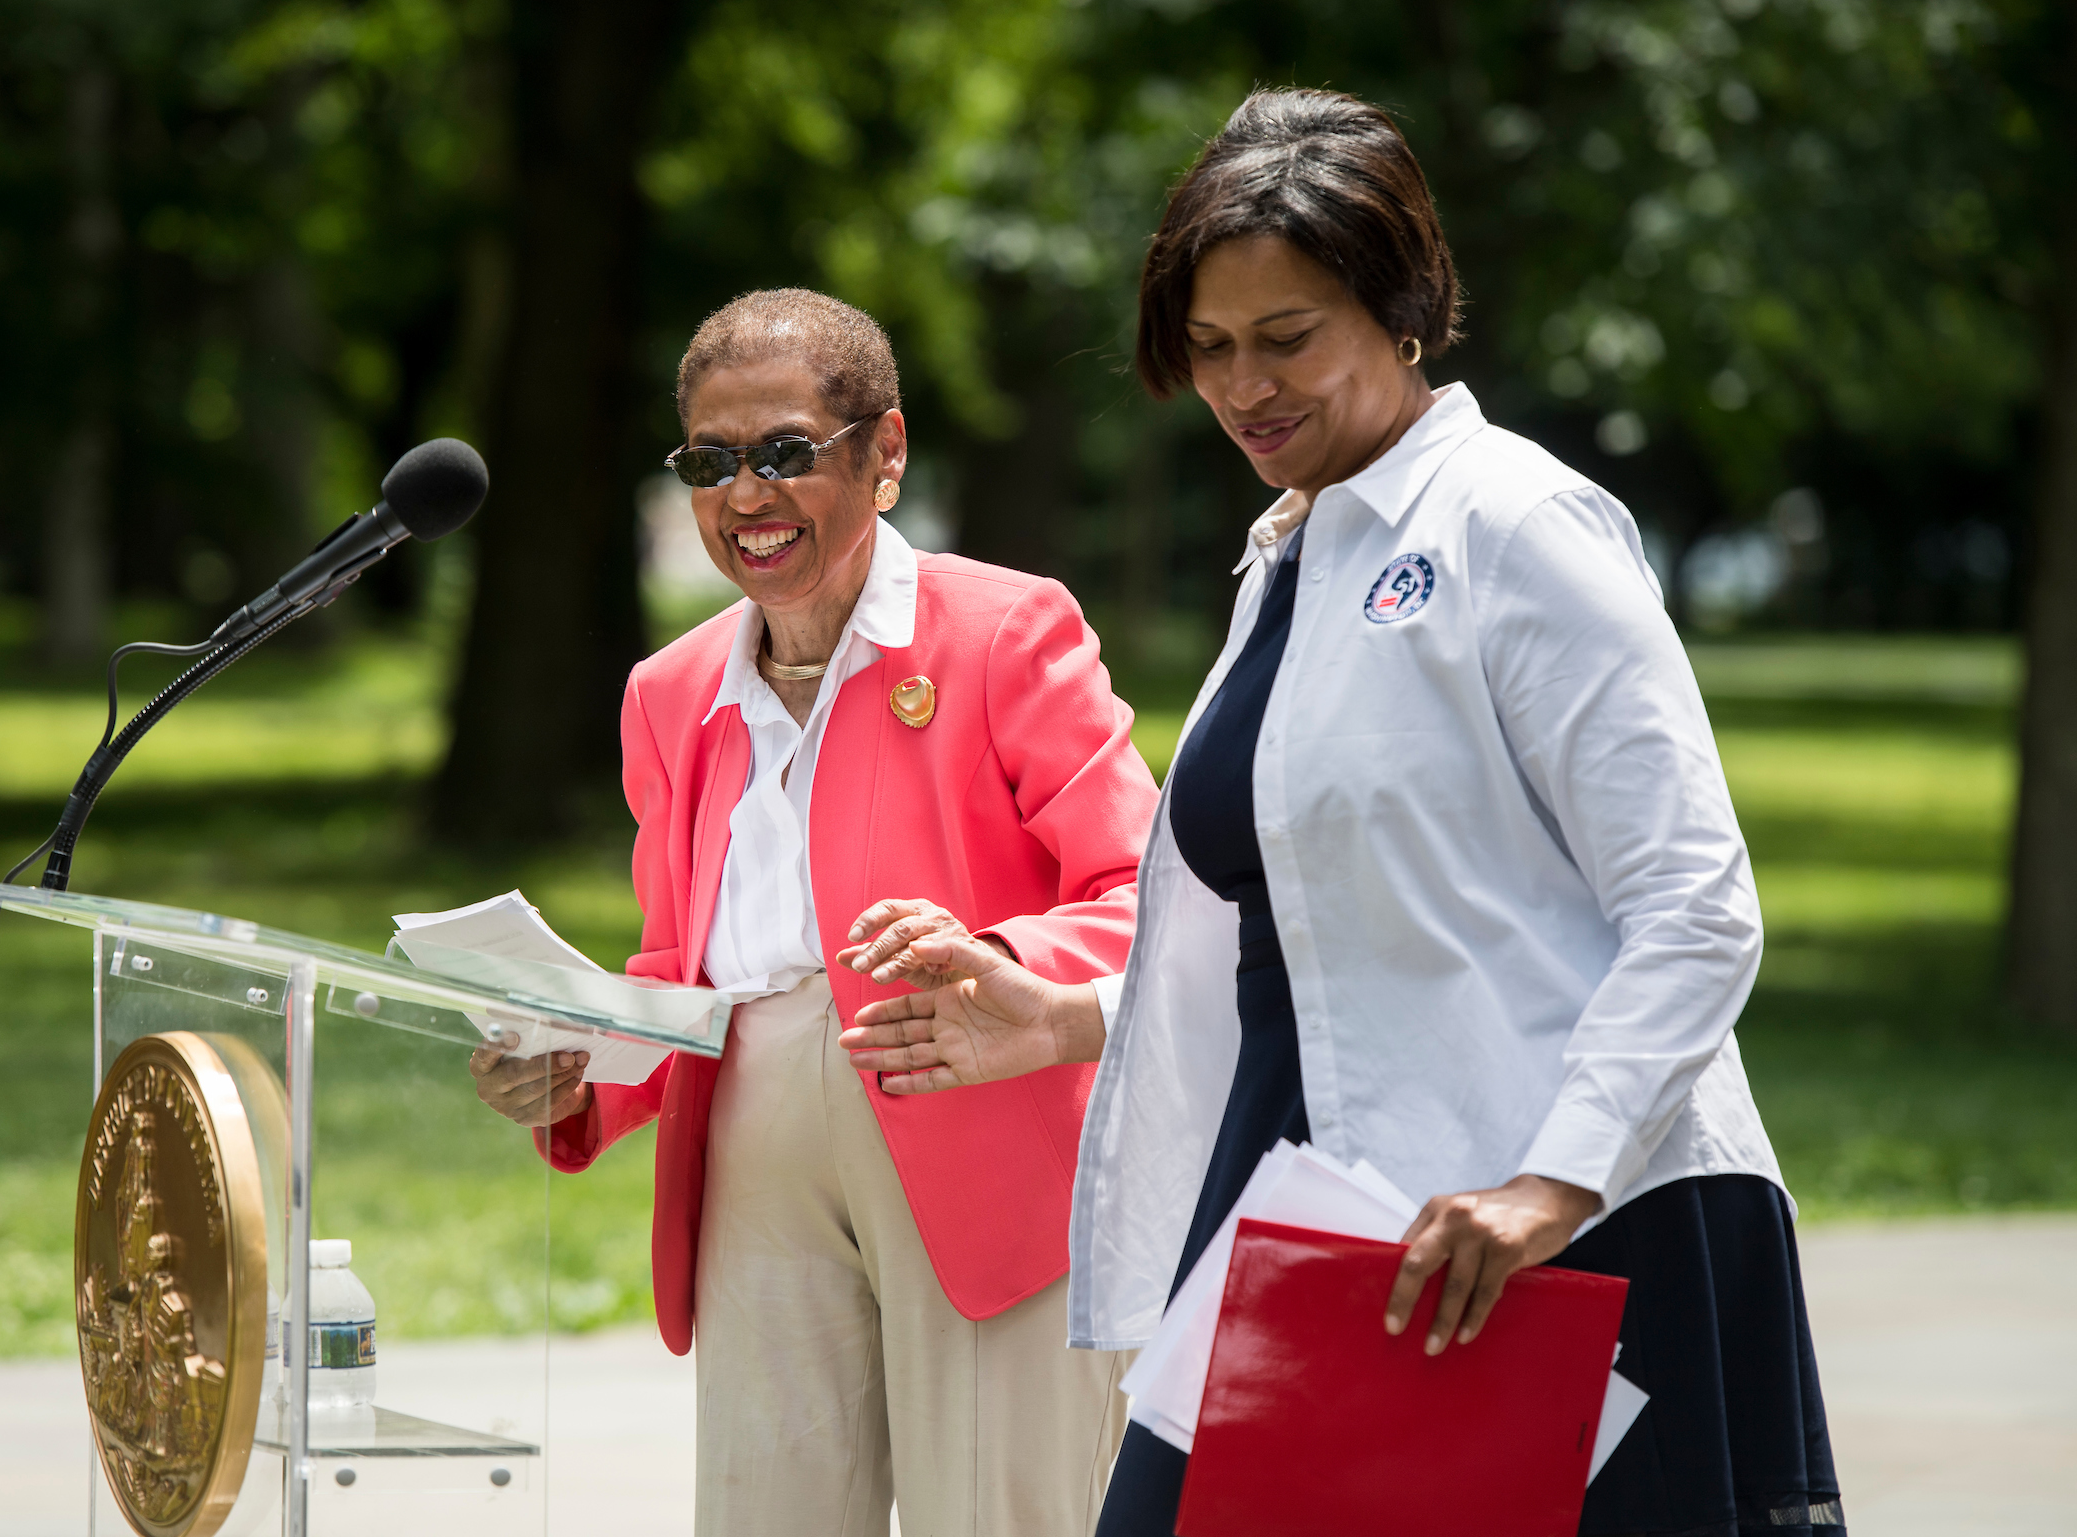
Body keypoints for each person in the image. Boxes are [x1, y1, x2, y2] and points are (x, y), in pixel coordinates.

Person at [842, 90, 1846, 1536]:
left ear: (1405, 309)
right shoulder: (1288, 554)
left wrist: (1549, 1185)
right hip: (1325, 1214)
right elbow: (1335, 939)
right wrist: (1062, 1015)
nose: (1243, 388)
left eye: (1286, 338)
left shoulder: (1514, 525)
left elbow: (1695, 904)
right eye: (1206, 350)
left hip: (1556, 1226)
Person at [465, 288, 1160, 1537]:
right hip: (751, 1146)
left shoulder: (1011, 629)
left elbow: (1144, 894)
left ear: (884, 453)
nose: (747, 496)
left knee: (1000, 1515)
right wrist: (581, 1072)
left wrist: (994, 961)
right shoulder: (668, 691)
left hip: (979, 1118)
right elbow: (684, 963)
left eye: (787, 452)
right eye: (711, 462)